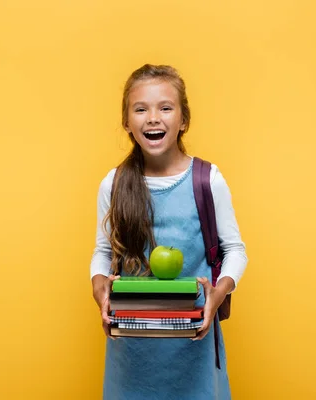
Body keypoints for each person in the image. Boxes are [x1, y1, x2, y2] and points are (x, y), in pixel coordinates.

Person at [90, 64, 248, 399]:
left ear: (184, 119)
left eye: (165, 107)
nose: (153, 118)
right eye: (140, 109)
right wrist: (100, 290)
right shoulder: (114, 183)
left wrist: (217, 295)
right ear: (127, 122)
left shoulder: (207, 179)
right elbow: (103, 253)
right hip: (131, 351)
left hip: (195, 344)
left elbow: (235, 250)